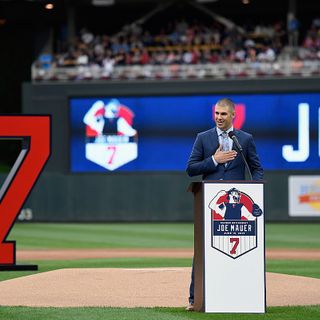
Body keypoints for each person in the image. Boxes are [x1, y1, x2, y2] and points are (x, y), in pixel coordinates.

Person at [185, 97, 264, 311]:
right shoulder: (203, 138)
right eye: (216, 113)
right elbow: (191, 168)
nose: (219, 117)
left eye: (223, 114)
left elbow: (256, 168)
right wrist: (214, 160)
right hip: (212, 204)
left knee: (237, 248)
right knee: (203, 248)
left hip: (237, 207)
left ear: (233, 115)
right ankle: (195, 299)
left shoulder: (245, 139)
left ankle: (240, 295)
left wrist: (255, 188)